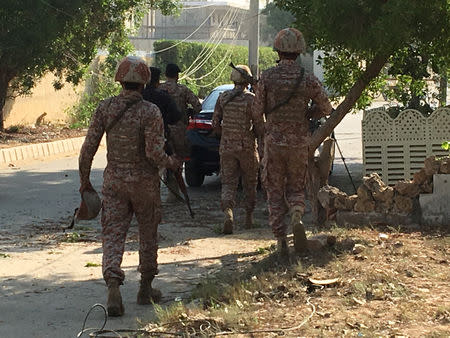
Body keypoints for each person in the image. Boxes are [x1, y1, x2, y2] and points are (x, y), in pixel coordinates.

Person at [78, 56, 181, 317]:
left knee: (113, 234)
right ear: (144, 83)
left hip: (114, 183)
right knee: (148, 234)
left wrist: (85, 182)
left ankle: (113, 285)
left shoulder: (105, 108)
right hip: (145, 184)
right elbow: (154, 154)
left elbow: (87, 150)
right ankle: (145, 288)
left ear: (120, 81)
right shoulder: (150, 111)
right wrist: (171, 163)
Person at [252, 28, 332, 256]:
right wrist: (309, 114)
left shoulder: (267, 77)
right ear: (299, 52)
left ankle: (280, 241)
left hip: (274, 143)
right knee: (296, 186)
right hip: (299, 143)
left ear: (278, 50)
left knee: (274, 191)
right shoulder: (308, 78)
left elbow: (256, 111)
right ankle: (297, 214)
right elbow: (326, 107)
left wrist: (266, 123)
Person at [212, 65, 263, 234]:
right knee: (250, 183)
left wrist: (225, 135)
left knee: (228, 183)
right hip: (247, 148)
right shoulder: (251, 100)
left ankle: (228, 213)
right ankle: (249, 217)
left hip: (227, 147)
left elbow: (215, 124)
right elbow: (260, 126)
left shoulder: (223, 97)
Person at [159, 63, 202, 202]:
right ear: (177, 75)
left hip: (162, 130)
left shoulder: (159, 89)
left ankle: (172, 191)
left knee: (165, 160)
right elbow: (198, 106)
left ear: (166, 75)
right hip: (179, 129)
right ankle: (177, 189)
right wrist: (190, 112)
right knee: (179, 159)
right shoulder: (183, 90)